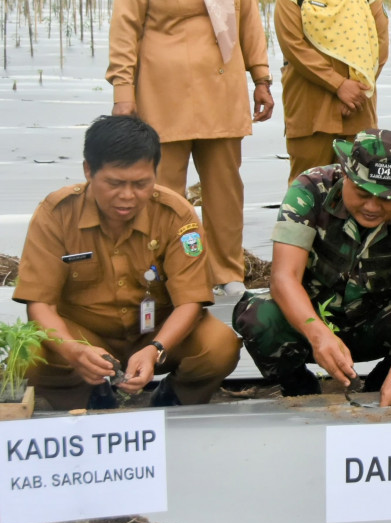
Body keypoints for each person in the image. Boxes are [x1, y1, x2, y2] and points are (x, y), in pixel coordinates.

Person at [107, 0, 272, 297]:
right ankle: (167, 273)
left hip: (222, 93)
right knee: (163, 193)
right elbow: (125, 27)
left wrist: (262, 77)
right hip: (164, 99)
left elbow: (248, 16)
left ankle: (225, 272)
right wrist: (123, 93)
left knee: (226, 190)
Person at [13, 116, 239, 410]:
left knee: (220, 346)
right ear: (88, 171)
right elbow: (40, 304)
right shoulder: (56, 214)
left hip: (158, 332)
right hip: (84, 335)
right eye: (115, 183)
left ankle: (176, 398)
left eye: (141, 184)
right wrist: (72, 351)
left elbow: (190, 302)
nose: (128, 196)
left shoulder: (176, 215)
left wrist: (156, 349)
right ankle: (85, 399)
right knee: (28, 353)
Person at [234, 130, 391, 406]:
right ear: (345, 174)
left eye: (387, 198)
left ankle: (382, 386)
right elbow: (284, 277)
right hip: (309, 321)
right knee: (259, 317)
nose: (372, 206)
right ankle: (298, 387)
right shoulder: (309, 190)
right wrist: (317, 333)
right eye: (363, 193)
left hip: (375, 322)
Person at [276, 0, 389, 182]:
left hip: (359, 110)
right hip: (311, 112)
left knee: (360, 191)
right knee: (308, 192)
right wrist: (339, 86)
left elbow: (380, 45)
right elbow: (294, 46)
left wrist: (357, 90)